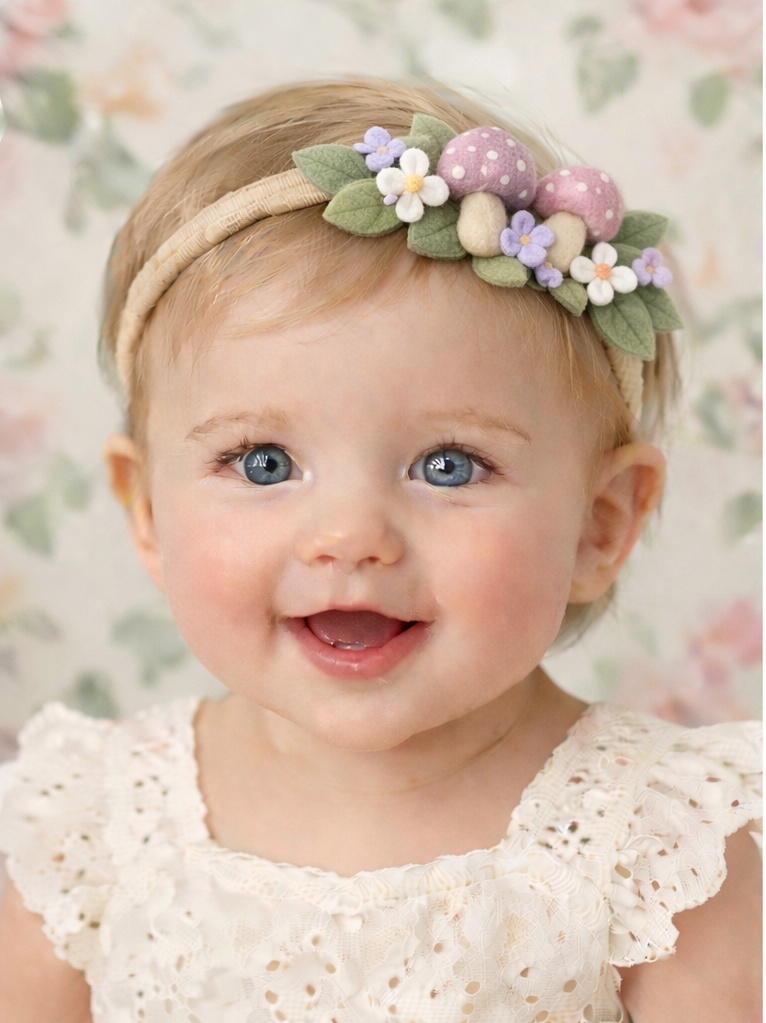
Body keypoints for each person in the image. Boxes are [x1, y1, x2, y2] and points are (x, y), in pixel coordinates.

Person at [0, 79, 760, 1023]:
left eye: (449, 465)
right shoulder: (93, 824)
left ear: (599, 525)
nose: (350, 536)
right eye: (263, 460)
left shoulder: (660, 845)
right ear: (146, 509)